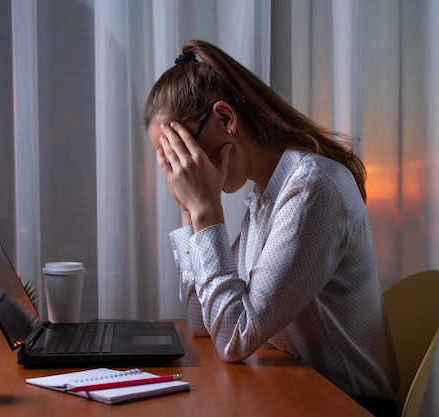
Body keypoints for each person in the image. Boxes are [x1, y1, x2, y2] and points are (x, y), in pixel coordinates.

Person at [143, 40, 400, 417]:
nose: (180, 170)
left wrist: (207, 210)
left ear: (225, 119)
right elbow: (202, 322)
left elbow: (233, 336)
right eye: (169, 161)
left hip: (349, 406)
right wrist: (189, 210)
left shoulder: (312, 188)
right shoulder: (267, 197)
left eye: (182, 152)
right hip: (299, 396)